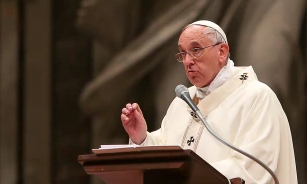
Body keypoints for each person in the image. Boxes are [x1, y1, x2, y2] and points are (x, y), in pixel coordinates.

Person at [120, 20, 297, 183]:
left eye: (195, 50)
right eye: (183, 53)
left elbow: (255, 168)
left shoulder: (256, 97)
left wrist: (188, 173)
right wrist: (141, 138)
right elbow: (165, 155)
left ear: (222, 52)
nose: (188, 61)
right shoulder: (182, 101)